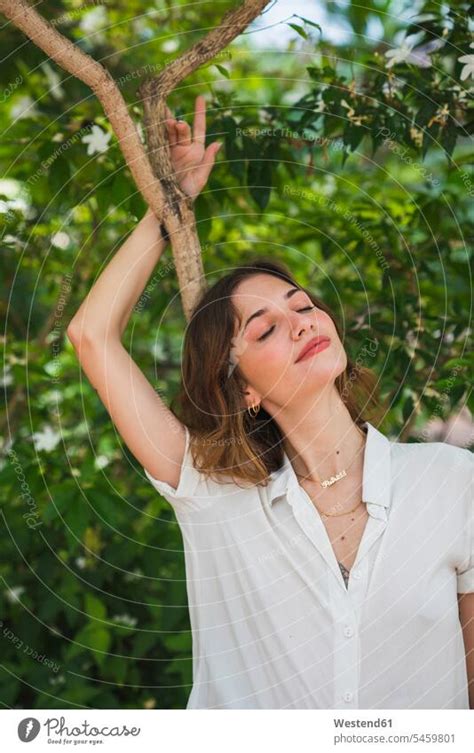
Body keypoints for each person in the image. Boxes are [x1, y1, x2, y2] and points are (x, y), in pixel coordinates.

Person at [67, 95, 474, 711]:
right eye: (264, 328)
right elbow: (91, 335)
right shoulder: (211, 495)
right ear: (243, 389)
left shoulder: (451, 481)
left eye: (304, 305)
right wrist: (169, 205)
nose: (301, 322)